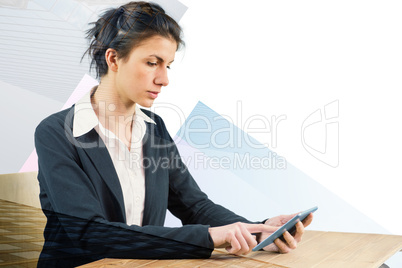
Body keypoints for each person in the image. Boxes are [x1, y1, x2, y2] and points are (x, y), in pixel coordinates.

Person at [34, 1, 313, 267]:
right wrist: (209, 237)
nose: (164, 79)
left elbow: (195, 206)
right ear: (114, 59)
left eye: (167, 65)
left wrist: (257, 231)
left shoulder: (154, 128)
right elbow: (90, 234)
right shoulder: (57, 132)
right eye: (152, 63)